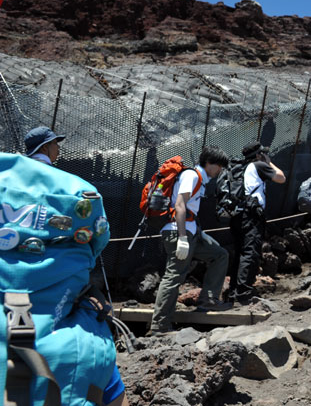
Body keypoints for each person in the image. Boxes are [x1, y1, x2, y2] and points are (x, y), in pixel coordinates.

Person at [20, 129, 131, 405]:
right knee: (105, 375)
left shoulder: (9, 180)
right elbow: (98, 235)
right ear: (47, 148)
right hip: (58, 297)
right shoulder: (72, 186)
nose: (59, 149)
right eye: (57, 144)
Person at [149, 146, 232, 335]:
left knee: (219, 255)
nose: (220, 171)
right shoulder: (192, 176)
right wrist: (183, 239)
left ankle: (208, 300)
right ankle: (160, 326)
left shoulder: (200, 179)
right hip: (179, 231)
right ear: (210, 163)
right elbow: (179, 205)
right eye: (219, 166)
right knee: (174, 276)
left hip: (191, 231)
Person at [228, 143, 285, 304]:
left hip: (237, 215)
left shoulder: (240, 168)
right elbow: (281, 177)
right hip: (252, 215)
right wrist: (268, 161)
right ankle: (244, 293)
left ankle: (233, 293)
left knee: (239, 253)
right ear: (259, 155)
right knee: (250, 253)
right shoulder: (258, 165)